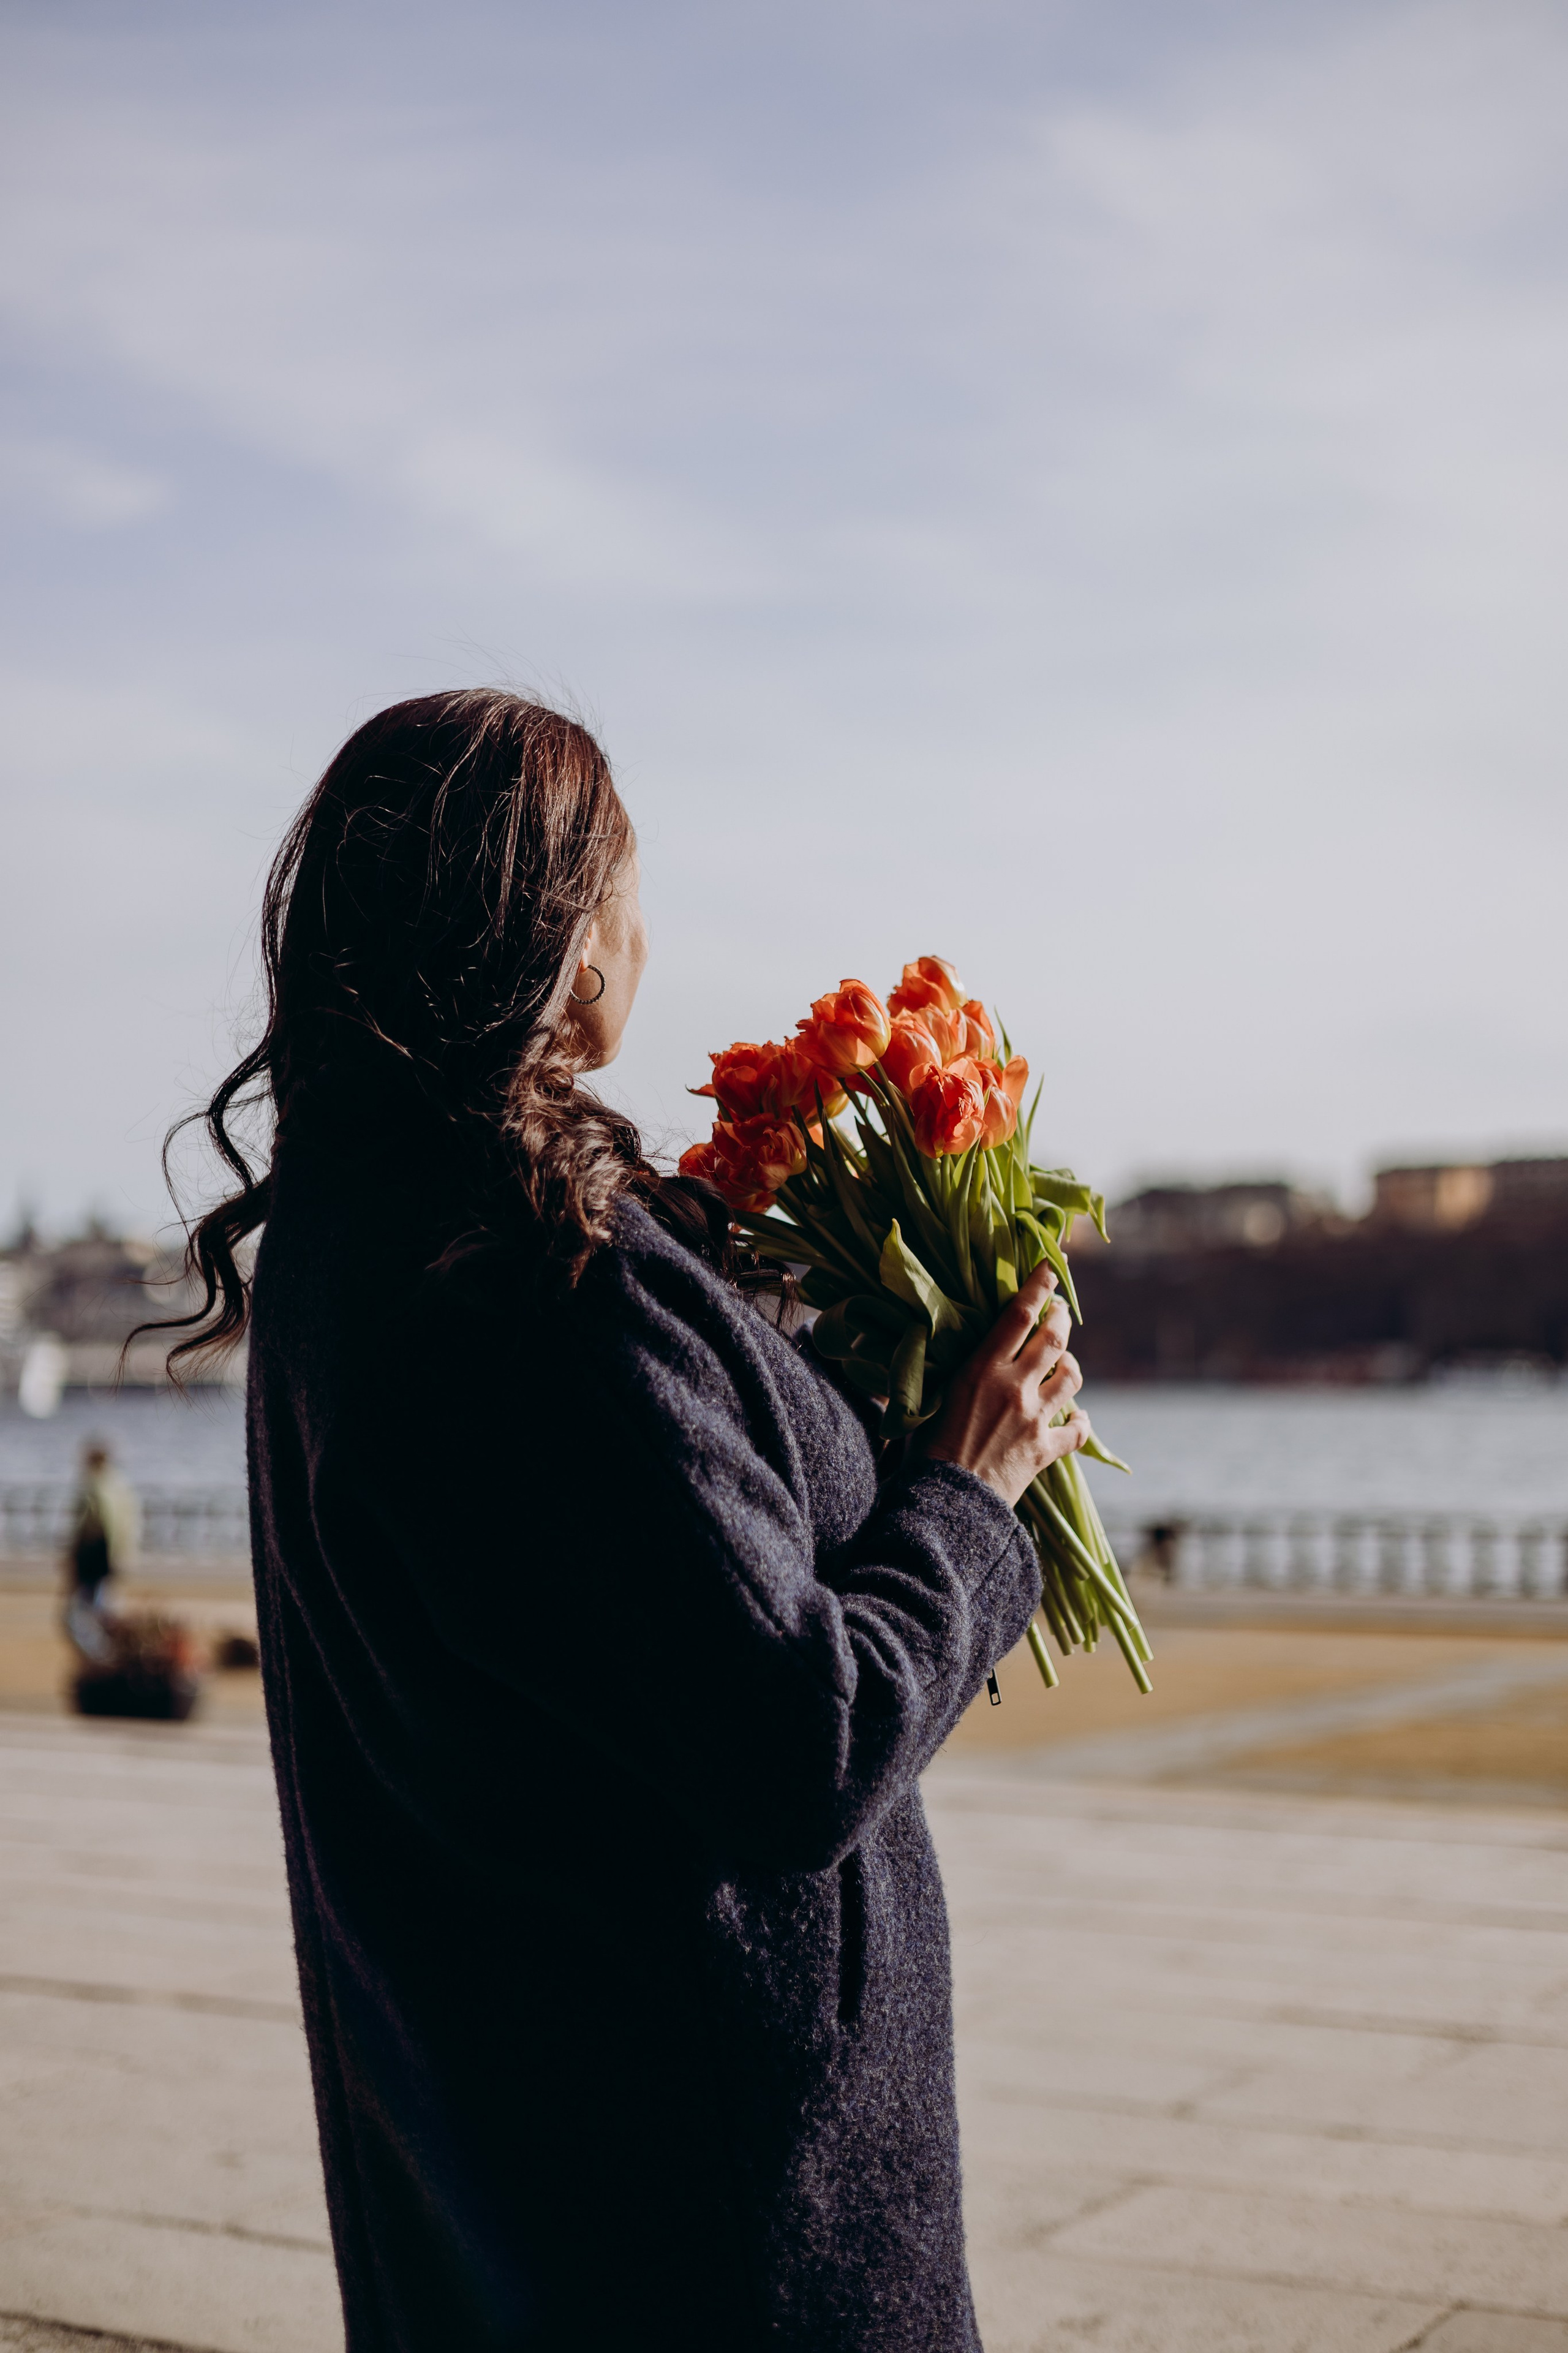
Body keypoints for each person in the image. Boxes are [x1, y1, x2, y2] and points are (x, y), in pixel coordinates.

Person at [146, 690, 1091, 2352]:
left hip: (502, 2168)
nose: (649, 940)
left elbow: (600, 1611)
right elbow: (798, 1738)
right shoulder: (542, 1284)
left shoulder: (349, 1251)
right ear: (569, 946)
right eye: (631, 897)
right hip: (719, 2215)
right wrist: (972, 1486)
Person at [62, 1440, 139, 1663]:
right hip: (110, 1559)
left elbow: (89, 1527)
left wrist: (73, 1558)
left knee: (80, 1616)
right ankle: (108, 1658)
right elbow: (127, 1526)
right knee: (103, 1611)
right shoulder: (119, 1486)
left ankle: (102, 1660)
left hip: (93, 1559)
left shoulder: (93, 1487)